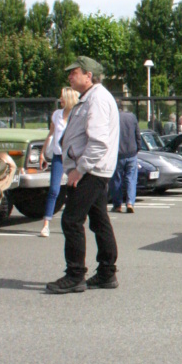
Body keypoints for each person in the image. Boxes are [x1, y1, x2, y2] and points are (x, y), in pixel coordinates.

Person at [46, 57, 119, 294]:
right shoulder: (92, 97)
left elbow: (98, 143)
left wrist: (79, 169)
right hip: (94, 170)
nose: (69, 77)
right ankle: (107, 273)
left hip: (91, 171)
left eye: (74, 72)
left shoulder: (96, 99)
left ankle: (75, 275)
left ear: (88, 75)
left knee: (71, 220)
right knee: (99, 221)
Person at [38, 86, 79, 238]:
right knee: (54, 190)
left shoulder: (76, 116)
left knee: (74, 189)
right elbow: (50, 134)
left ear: (68, 99)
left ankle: (74, 220)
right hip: (58, 156)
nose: (60, 99)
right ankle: (46, 224)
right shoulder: (56, 115)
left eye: (62, 97)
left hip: (73, 158)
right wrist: (42, 153)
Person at [110, 101, 141, 214]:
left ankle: (118, 205)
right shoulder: (131, 117)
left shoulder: (112, 118)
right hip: (131, 152)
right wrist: (138, 147)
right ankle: (130, 203)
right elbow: (137, 133)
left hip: (117, 154)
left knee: (116, 180)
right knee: (131, 179)